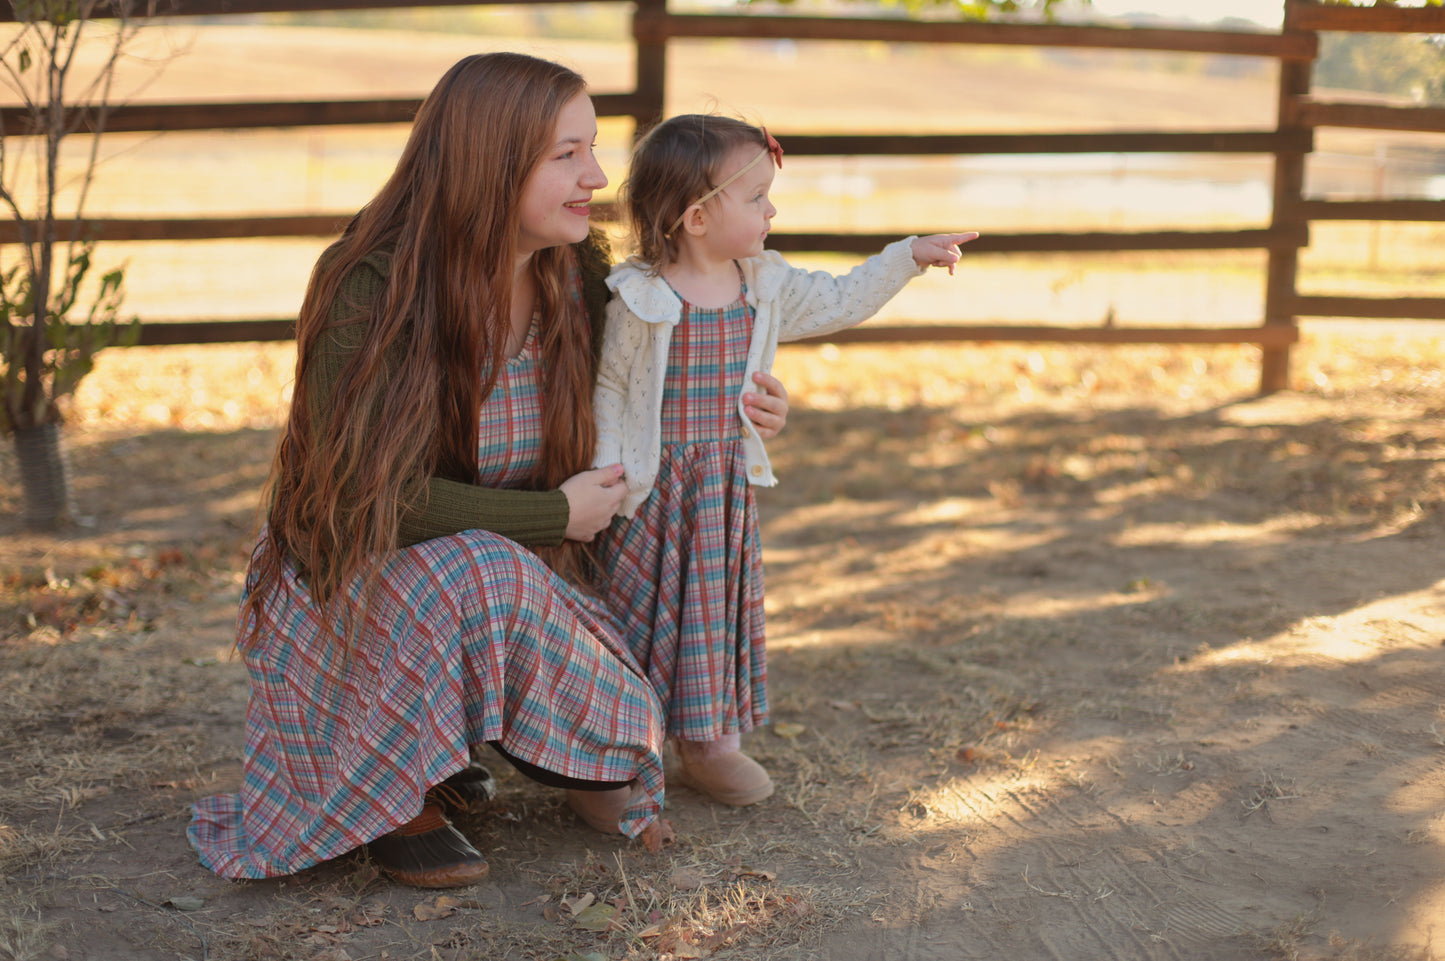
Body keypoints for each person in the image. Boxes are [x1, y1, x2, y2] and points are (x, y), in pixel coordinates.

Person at [186, 54, 791, 891]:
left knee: (625, 734)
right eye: (566, 155)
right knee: (480, 568)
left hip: (512, 574)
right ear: (491, 160)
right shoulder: (373, 283)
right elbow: (366, 500)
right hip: (359, 586)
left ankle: (447, 746)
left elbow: (661, 372)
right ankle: (399, 798)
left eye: (592, 149)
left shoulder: (571, 274)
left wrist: (748, 403)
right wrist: (552, 517)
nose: (598, 175)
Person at [594, 114, 976, 806]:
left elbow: (839, 298)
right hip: (648, 496)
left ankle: (708, 744)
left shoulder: (761, 286)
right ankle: (610, 762)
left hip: (718, 494)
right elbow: (611, 389)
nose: (772, 209)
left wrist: (906, 256)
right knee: (636, 621)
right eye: (757, 197)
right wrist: (605, 473)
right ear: (698, 216)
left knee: (711, 618)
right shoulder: (639, 298)